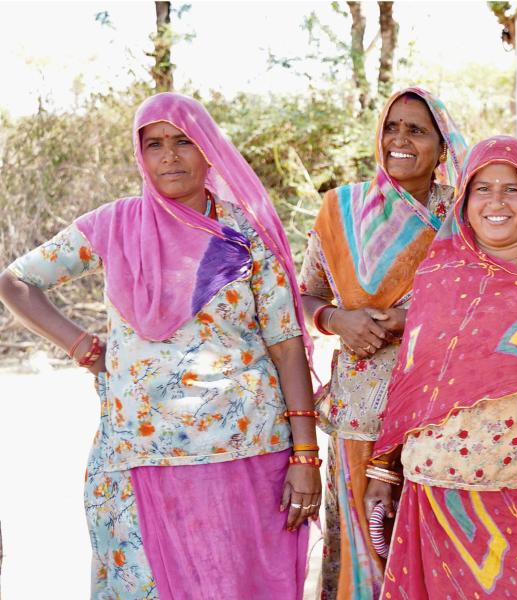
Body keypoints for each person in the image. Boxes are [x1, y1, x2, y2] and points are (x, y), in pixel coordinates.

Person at [0, 93, 319, 600]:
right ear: (140, 154)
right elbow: (16, 282)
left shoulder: (246, 232)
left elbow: (286, 344)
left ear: (208, 149)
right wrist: (82, 347)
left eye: (183, 141)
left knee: (242, 586)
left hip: (246, 449)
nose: (169, 156)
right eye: (154, 144)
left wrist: (306, 456)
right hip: (141, 453)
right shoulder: (113, 225)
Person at [366, 136, 517, 599]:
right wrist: (383, 469)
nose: (496, 202)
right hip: (435, 494)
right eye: (482, 188)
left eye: (512, 189)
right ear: (464, 200)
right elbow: (412, 384)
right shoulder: (437, 278)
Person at [298, 86, 466, 600]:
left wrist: (409, 320)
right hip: (360, 417)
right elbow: (303, 297)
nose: (400, 140)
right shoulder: (341, 209)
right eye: (392, 127)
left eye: (416, 130)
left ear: (443, 145)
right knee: (363, 553)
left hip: (440, 416)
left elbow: (485, 299)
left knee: (428, 552)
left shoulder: (464, 213)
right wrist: (336, 319)